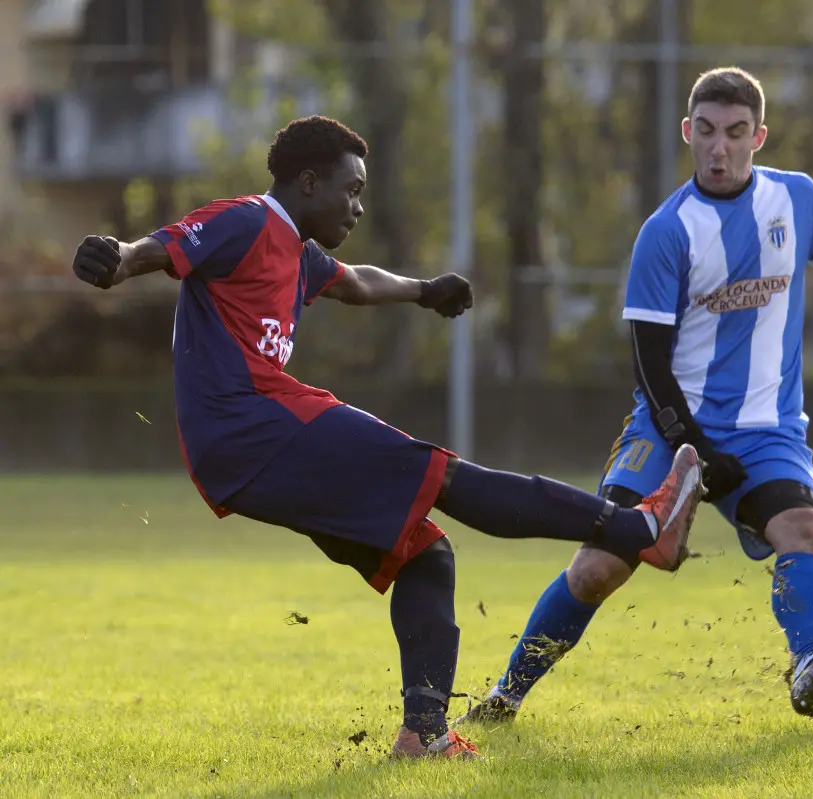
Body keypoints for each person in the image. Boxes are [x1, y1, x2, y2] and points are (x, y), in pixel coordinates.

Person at [69, 115, 705, 761]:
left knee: (426, 555)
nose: (359, 204)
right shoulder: (247, 220)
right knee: (445, 476)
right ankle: (639, 531)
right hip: (254, 425)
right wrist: (114, 259)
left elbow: (356, 281)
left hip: (244, 449)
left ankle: (422, 735)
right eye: (350, 190)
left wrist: (424, 290)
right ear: (309, 182)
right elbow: (157, 246)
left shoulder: (298, 251)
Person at [460, 67, 813, 725]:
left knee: (805, 530)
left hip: (766, 429)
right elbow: (649, 364)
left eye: (736, 133)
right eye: (706, 132)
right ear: (688, 132)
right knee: (599, 565)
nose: (720, 148)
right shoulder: (666, 231)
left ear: (759, 136)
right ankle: (504, 697)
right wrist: (693, 446)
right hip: (668, 428)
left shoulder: (797, 201)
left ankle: (811, 666)